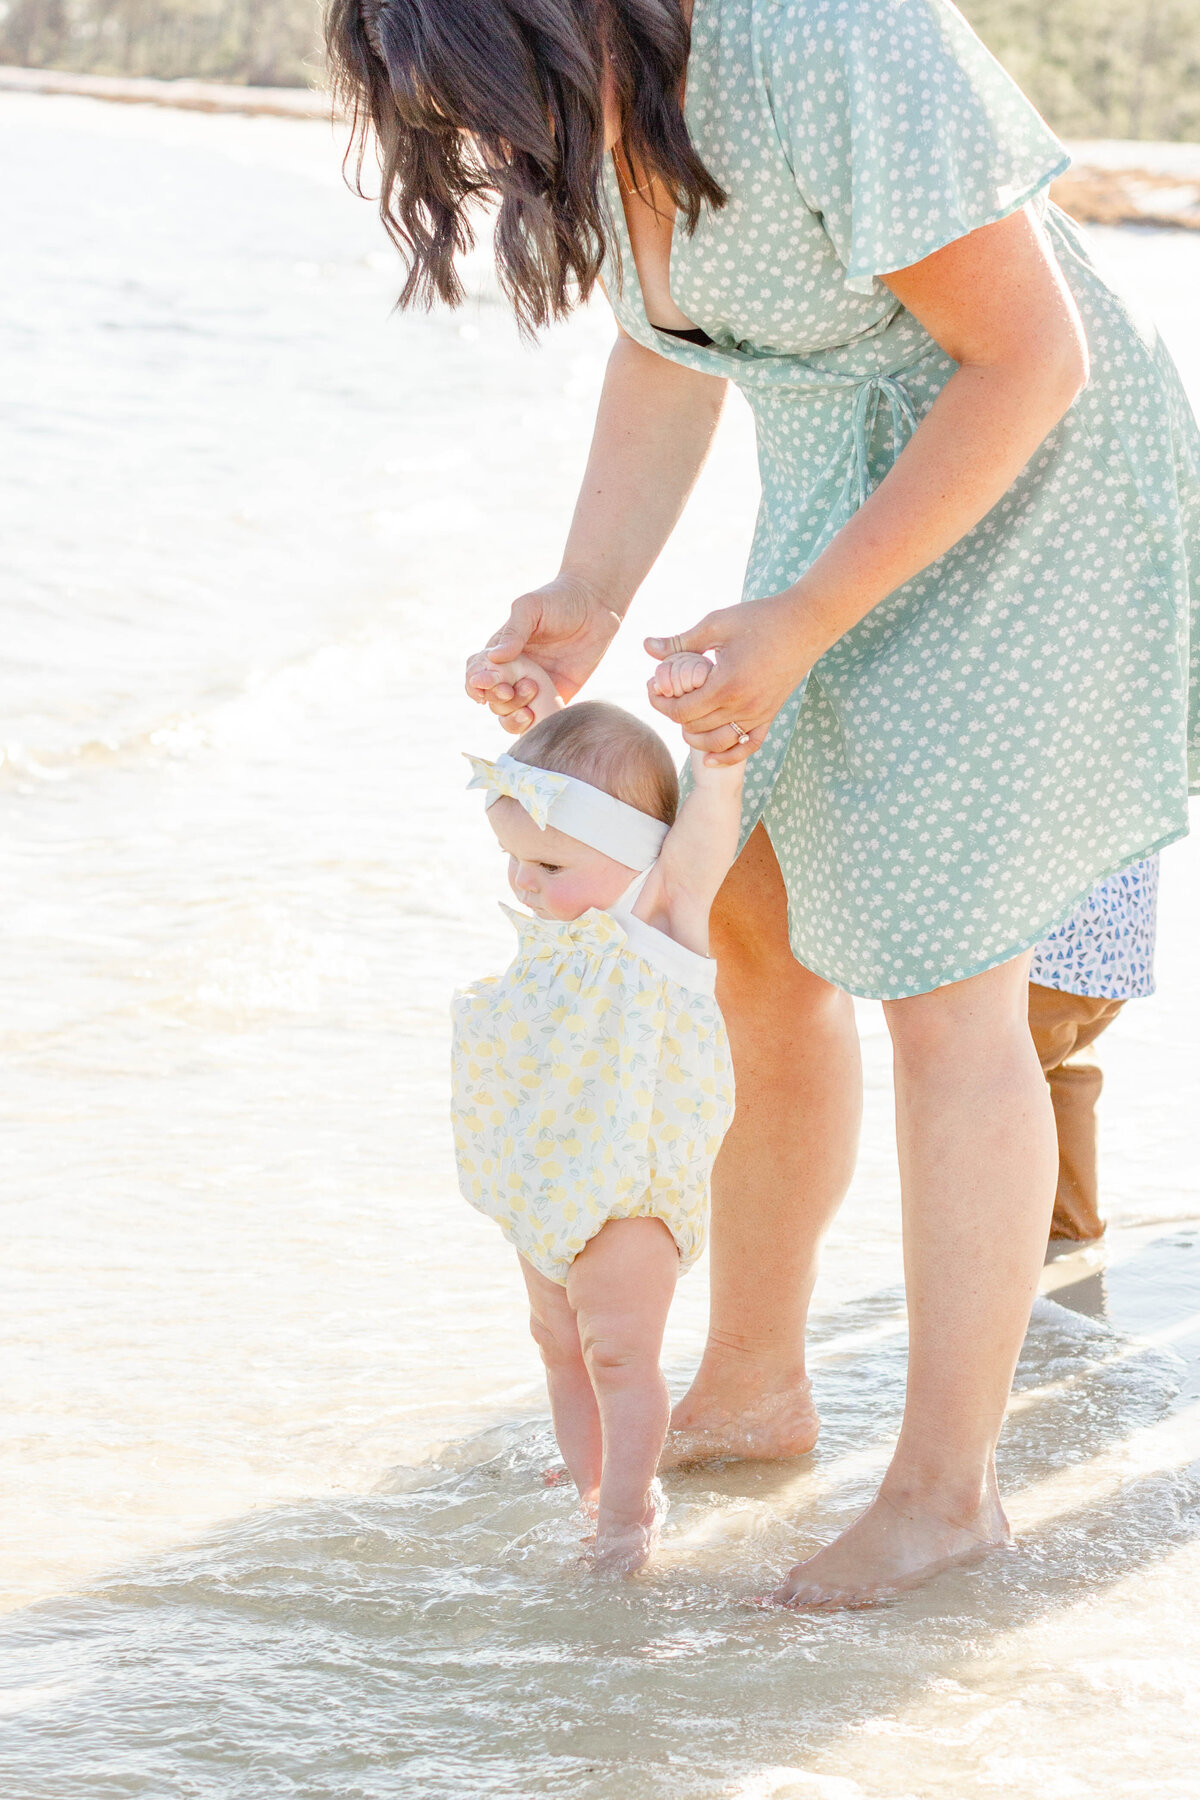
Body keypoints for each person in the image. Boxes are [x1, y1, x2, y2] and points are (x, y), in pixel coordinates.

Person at [329, 0, 1200, 1605]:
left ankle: (949, 1493)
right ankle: (752, 1384)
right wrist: (588, 593)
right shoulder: (605, 93)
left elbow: (1033, 356)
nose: (500, 148)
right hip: (846, 491)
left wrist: (803, 618)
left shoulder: (826, 40)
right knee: (751, 918)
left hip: (1029, 487)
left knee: (952, 978)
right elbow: (671, 349)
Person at [452, 651, 740, 1572]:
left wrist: (720, 767)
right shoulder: (553, 938)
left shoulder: (657, 920)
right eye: (513, 859)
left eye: (547, 863)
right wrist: (547, 716)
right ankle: (590, 1491)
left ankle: (627, 1521)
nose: (524, 883)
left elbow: (695, 843)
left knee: (619, 1355)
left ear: (634, 854)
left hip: (628, 1194)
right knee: (558, 1347)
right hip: (545, 1186)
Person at [1030, 856, 1160, 1244]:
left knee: (978, 1092)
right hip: (1119, 950)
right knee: (1067, 1068)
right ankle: (1074, 1232)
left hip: (1045, 950)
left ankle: (981, 1265)